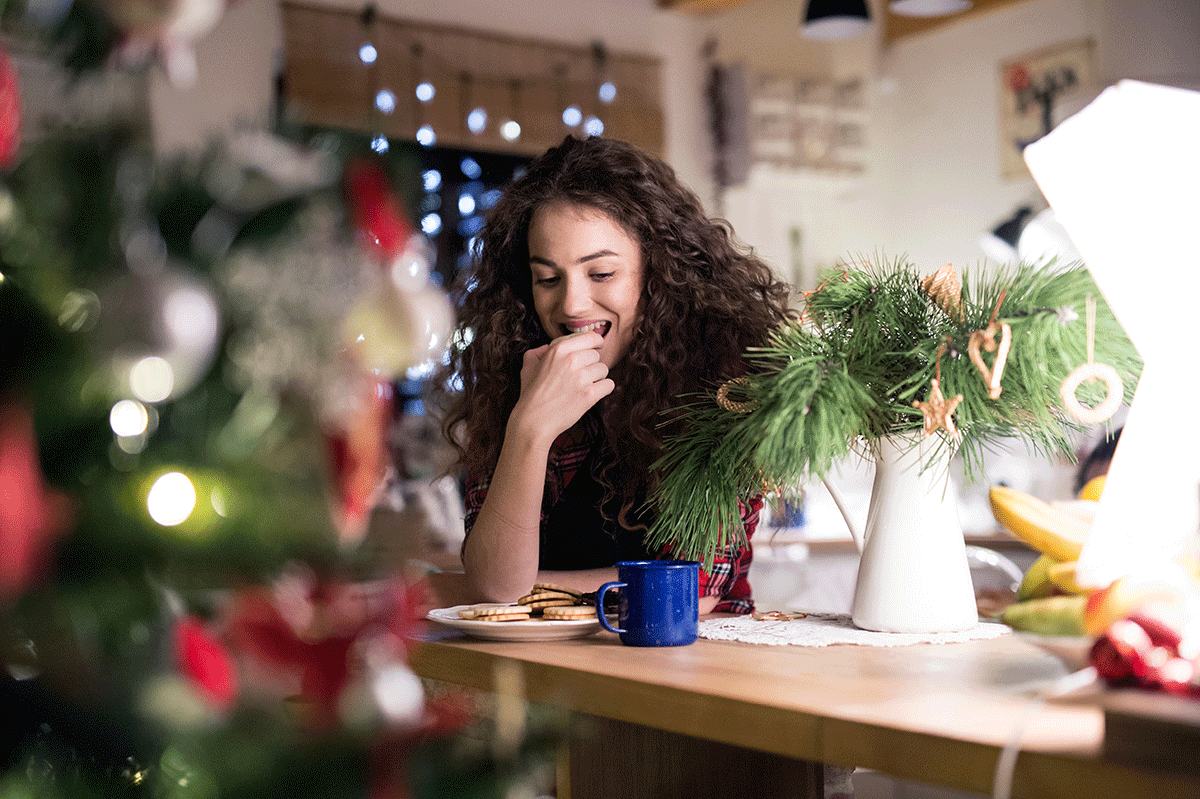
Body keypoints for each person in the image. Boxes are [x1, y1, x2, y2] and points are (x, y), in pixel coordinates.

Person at [430, 135, 794, 614]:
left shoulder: (725, 384)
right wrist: (530, 427)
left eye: (600, 274)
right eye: (548, 278)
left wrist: (515, 590)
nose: (571, 304)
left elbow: (692, 587)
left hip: (689, 663)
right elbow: (497, 583)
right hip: (545, 669)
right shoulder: (512, 381)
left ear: (658, 272)